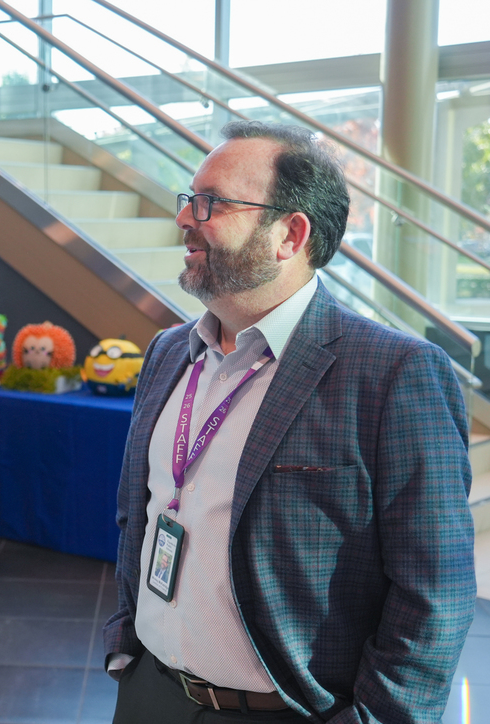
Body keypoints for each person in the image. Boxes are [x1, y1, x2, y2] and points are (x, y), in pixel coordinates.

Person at [105, 121, 475, 723]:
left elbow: (435, 592)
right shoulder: (169, 353)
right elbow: (137, 513)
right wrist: (126, 647)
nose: (184, 218)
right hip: (151, 693)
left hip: (288, 711)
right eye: (188, 199)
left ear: (289, 234)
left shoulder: (393, 373)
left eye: (212, 203)